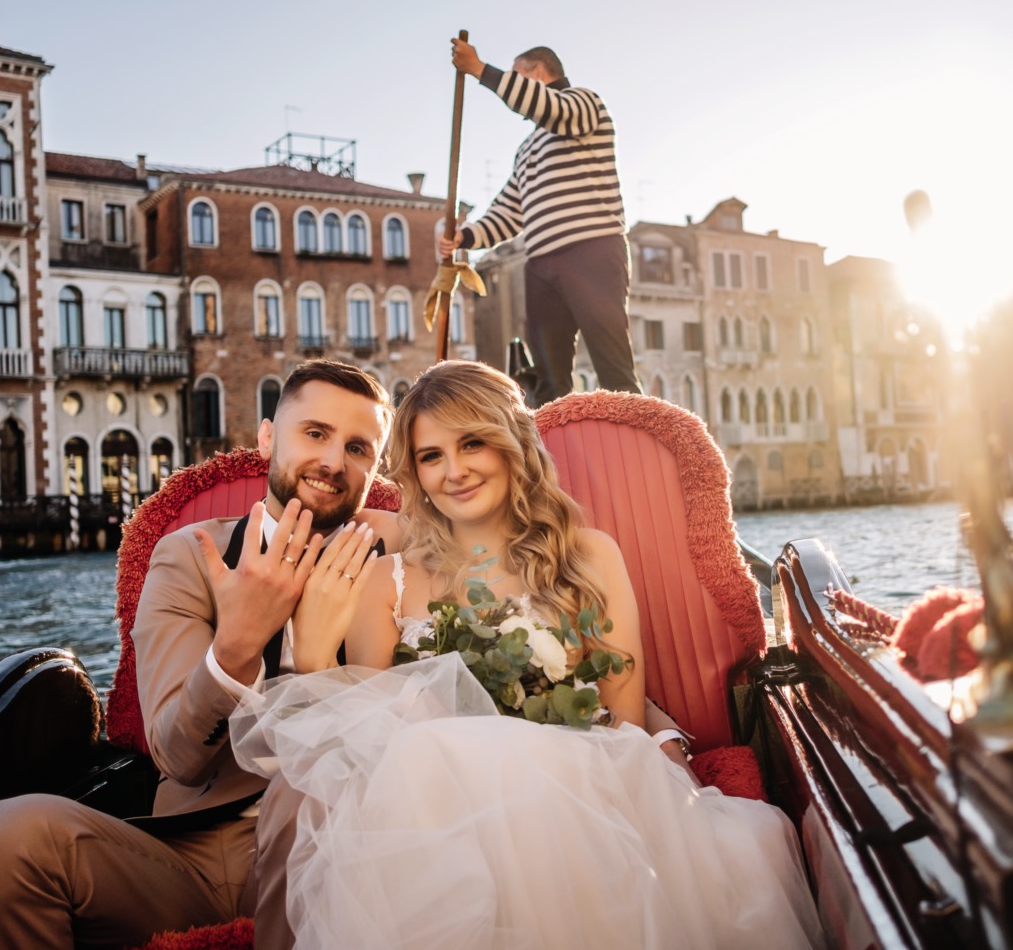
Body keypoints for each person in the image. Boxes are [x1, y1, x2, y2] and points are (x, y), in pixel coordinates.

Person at [234, 360, 824, 948]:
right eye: (431, 456)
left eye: (473, 443)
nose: (455, 471)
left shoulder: (590, 557)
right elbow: (374, 746)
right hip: (436, 827)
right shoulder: (384, 580)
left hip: (582, 796)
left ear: (512, 444)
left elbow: (622, 720)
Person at [0, 359, 396, 950]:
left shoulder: (398, 555)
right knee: (0, 839)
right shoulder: (188, 556)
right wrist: (237, 644)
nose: (334, 462)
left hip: (337, 851)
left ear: (376, 467)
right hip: (194, 855)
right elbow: (178, 756)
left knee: (307, 791)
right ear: (268, 438)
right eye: (315, 433)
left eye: (358, 448)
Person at [440, 38, 642, 406]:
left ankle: (638, 436)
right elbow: (509, 212)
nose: (513, 89)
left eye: (517, 76)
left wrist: (480, 70)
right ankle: (555, 440)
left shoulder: (585, 105)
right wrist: (464, 237)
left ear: (536, 73)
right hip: (541, 266)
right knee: (549, 378)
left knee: (613, 366)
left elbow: (547, 107)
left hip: (592, 250)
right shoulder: (527, 149)